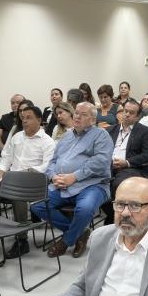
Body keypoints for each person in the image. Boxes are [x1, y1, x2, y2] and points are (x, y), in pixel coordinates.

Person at [30, 102, 112, 259]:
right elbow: (52, 161)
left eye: (83, 114)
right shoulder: (66, 136)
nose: (77, 116)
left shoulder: (101, 135)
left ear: (93, 119)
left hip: (92, 185)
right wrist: (53, 176)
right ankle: (80, 233)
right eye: (76, 113)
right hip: (62, 185)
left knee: (85, 209)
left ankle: (66, 241)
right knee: (37, 205)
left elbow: (101, 162)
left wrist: (74, 177)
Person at [0, 105, 56, 258]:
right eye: (23, 118)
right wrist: (0, 171)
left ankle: (22, 240)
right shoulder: (17, 137)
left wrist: (28, 172)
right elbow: (6, 157)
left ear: (39, 120)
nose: (25, 121)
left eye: (29, 118)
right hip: (11, 179)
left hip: (33, 182)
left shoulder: (47, 141)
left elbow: (47, 167)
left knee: (18, 194)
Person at [102, 99, 148, 225]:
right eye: (125, 111)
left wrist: (126, 162)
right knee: (96, 186)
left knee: (116, 184)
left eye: (131, 112)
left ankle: (115, 219)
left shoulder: (145, 131)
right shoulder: (110, 130)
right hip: (109, 167)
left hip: (132, 169)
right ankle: (113, 216)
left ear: (137, 116)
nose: (127, 114)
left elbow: (147, 155)